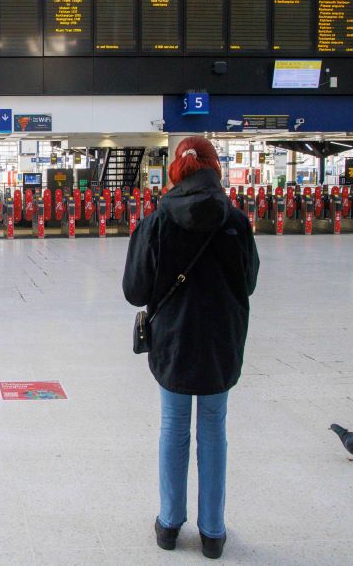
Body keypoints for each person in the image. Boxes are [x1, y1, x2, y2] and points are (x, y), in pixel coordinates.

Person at [122, 136, 259, 560]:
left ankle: (168, 525)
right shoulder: (235, 220)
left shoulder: (157, 221)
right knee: (214, 430)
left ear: (176, 171)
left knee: (173, 427)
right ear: (214, 167)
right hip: (221, 344)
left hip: (174, 344)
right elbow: (249, 282)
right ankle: (213, 532)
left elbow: (134, 290)